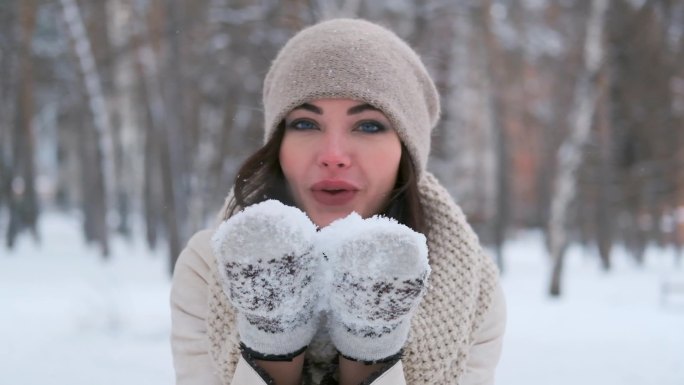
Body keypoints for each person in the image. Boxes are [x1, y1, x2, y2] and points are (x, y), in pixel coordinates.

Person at [170, 18, 506, 385]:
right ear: (278, 145)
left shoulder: (469, 286)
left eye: (368, 126)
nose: (333, 155)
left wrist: (372, 350)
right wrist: (272, 341)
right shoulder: (209, 266)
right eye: (304, 124)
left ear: (405, 150)